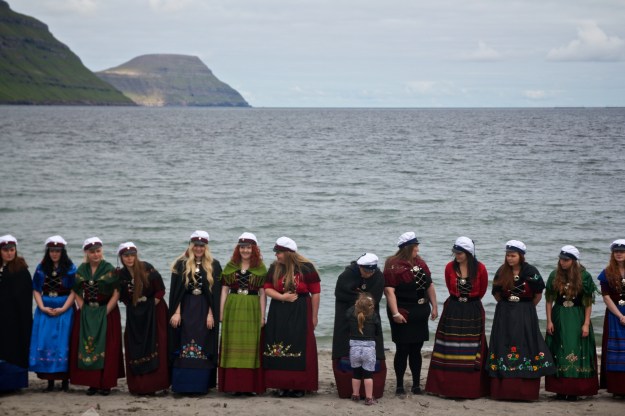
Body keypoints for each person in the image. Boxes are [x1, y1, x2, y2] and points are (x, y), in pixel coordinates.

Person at [486, 240, 556, 400]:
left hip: (525, 312)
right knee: (504, 343)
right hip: (504, 312)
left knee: (525, 344)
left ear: (521, 256)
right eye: (508, 255)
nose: (510, 258)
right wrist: (508, 306)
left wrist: (526, 309)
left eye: (513, 255)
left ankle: (525, 389)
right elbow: (496, 293)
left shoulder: (531, 271)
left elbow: (538, 293)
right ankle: (502, 390)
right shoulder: (502, 271)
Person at [425, 236, 490, 399]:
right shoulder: (449, 268)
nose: (457, 256)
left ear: (468, 253)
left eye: (460, 253)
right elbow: (449, 286)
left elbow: (482, 291)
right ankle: (446, 387)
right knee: (448, 346)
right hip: (453, 308)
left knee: (472, 346)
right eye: (455, 252)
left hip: (472, 309)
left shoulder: (480, 268)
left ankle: (470, 388)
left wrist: (469, 300)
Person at [263, 236, 320, 398]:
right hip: (278, 311)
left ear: (288, 253)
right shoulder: (275, 268)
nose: (276, 255)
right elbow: (267, 288)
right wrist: (282, 297)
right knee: (278, 342)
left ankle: (299, 386)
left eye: (279, 252)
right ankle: (282, 384)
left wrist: (314, 316)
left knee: (299, 343)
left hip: (301, 310)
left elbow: (315, 293)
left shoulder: (306, 268)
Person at [384, 231, 438, 395]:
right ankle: (399, 384)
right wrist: (395, 314)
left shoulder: (420, 263)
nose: (418, 251)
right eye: (415, 248)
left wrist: (434, 306)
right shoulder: (392, 264)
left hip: (420, 310)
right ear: (407, 248)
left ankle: (416, 384)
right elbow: (389, 291)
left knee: (416, 348)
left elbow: (429, 285)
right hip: (402, 310)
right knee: (402, 348)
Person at [69, 237, 124, 395]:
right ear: (86, 252)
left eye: (98, 251)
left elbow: (116, 292)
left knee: (107, 346)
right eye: (92, 252)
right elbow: (76, 290)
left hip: (107, 311)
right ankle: (92, 383)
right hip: (87, 312)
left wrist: (106, 310)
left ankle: (105, 384)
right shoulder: (82, 269)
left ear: (102, 251)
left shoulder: (109, 269)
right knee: (88, 346)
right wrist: (82, 307)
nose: (95, 254)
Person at [169, 230, 222, 395]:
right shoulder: (181, 264)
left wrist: (212, 314)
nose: (199, 248)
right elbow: (176, 292)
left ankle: (201, 385)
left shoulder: (214, 265)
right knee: (183, 341)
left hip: (205, 309)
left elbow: (216, 294)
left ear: (206, 247)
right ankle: (182, 385)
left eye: (202, 246)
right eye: (196, 245)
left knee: (204, 342)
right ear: (191, 246)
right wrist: (176, 313)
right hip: (186, 308)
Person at [545, 245, 599, 401]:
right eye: (561, 259)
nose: (562, 262)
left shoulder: (585, 276)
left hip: (577, 315)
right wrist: (549, 321)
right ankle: (560, 390)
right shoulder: (554, 275)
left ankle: (575, 390)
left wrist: (586, 324)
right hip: (559, 314)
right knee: (559, 348)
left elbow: (588, 302)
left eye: (566, 260)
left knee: (576, 347)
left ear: (574, 261)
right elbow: (549, 300)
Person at [117, 242, 170, 395]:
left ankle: (157, 385)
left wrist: (149, 306)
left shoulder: (147, 268)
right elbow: (122, 296)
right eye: (126, 256)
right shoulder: (120, 275)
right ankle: (139, 386)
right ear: (121, 257)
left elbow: (160, 290)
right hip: (135, 315)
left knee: (157, 344)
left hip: (155, 311)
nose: (129, 258)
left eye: (132, 255)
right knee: (135, 346)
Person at [218, 232, 267, 395]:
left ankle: (249, 386)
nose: (245, 250)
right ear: (238, 249)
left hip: (252, 307)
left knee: (251, 345)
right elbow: (224, 290)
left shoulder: (260, 268)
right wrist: (221, 312)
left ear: (254, 249)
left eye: (248, 247)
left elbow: (263, 293)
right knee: (232, 344)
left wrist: (262, 315)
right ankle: (233, 385)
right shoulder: (230, 265)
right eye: (242, 247)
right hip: (233, 305)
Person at [332, 252, 386, 399]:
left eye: (371, 271)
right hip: (347, 316)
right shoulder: (346, 276)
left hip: (369, 316)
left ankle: (368, 392)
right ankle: (350, 391)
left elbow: (374, 297)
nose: (369, 274)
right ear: (359, 267)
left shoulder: (378, 276)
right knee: (345, 348)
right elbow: (340, 294)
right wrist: (362, 297)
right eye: (366, 271)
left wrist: (360, 297)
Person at [29, 235, 76, 392]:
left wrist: (64, 308)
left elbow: (74, 291)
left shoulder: (70, 268)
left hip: (65, 309)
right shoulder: (41, 268)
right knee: (47, 342)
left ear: (63, 251)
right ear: (48, 251)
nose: (54, 253)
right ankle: (49, 381)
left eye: (58, 250)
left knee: (63, 343)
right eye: (52, 250)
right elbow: (36, 289)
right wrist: (41, 307)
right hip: (46, 309)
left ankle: (64, 381)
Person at [0, 235, 32, 392]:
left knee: (15, 350)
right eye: (5, 250)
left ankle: (13, 383)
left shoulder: (21, 269)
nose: (9, 253)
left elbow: (24, 297)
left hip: (15, 317)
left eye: (12, 250)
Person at [597, 239, 625, 397]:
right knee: (616, 350)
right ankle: (617, 388)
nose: (619, 254)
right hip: (614, 313)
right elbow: (606, 297)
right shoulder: (607, 273)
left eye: (622, 251)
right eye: (616, 252)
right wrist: (620, 315)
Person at [347, 292, 382, 406]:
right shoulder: (374, 316)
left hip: (354, 348)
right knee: (368, 375)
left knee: (356, 373)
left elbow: (347, 313)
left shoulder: (352, 314)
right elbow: (378, 332)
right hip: (369, 349)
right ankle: (368, 398)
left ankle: (355, 395)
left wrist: (357, 304)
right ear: (371, 307)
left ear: (357, 305)